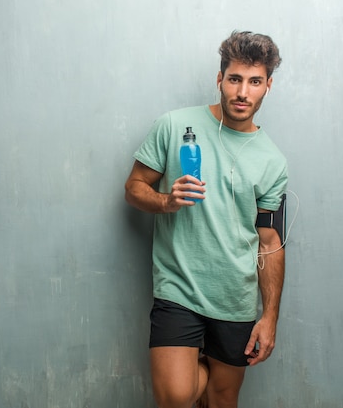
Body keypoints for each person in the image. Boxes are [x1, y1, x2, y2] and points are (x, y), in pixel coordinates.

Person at [124, 31, 287, 408]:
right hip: (178, 286)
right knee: (177, 397)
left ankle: (202, 364)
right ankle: (188, 364)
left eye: (254, 81)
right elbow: (133, 187)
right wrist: (166, 201)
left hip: (235, 296)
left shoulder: (273, 161)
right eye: (234, 79)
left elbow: (269, 241)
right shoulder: (172, 125)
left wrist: (270, 317)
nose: (242, 92)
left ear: (267, 86)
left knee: (221, 399)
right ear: (220, 79)